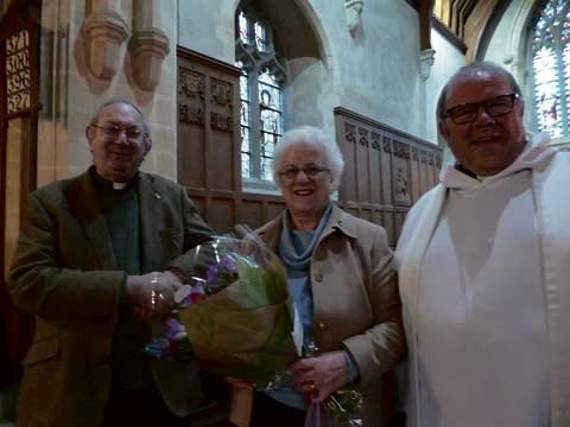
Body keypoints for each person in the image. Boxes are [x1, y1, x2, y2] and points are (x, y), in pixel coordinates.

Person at [7, 100, 216, 427]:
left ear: (147, 145)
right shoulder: (50, 202)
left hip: (161, 384)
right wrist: (129, 288)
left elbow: (213, 250)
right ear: (91, 136)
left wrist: (175, 275)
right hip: (74, 384)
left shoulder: (171, 196)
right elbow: (27, 283)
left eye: (133, 133)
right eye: (111, 129)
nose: (122, 140)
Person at [395, 62, 570, 427]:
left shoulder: (564, 183)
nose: (484, 120)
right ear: (444, 130)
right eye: (464, 112)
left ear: (520, 108)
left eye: (497, 104)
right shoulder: (423, 212)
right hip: (442, 410)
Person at [247, 126, 404, 427]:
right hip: (271, 401)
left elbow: (395, 326)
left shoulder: (369, 240)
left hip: (348, 404)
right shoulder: (255, 243)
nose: (301, 179)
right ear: (279, 181)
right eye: (290, 171)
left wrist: (348, 361)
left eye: (313, 169)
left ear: (333, 178)